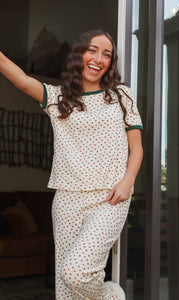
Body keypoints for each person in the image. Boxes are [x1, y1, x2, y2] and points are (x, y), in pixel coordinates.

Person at [0, 29, 143, 300]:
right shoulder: (58, 98)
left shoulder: (122, 95)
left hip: (109, 197)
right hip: (66, 200)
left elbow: (136, 149)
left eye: (107, 54)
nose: (99, 58)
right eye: (92, 50)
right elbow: (21, 80)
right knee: (66, 291)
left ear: (110, 63)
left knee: (76, 271)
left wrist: (127, 182)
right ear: (80, 54)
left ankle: (110, 295)